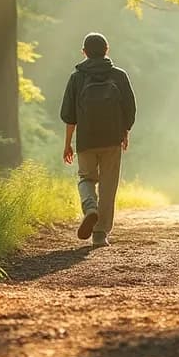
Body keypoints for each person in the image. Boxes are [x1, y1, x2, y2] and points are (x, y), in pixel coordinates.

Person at [59, 32, 136, 247]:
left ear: (84, 52)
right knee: (108, 186)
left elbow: (69, 115)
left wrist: (67, 144)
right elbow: (130, 108)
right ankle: (100, 234)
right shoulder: (119, 75)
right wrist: (124, 131)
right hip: (112, 138)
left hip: (86, 139)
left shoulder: (77, 77)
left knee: (86, 178)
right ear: (107, 49)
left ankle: (90, 207)